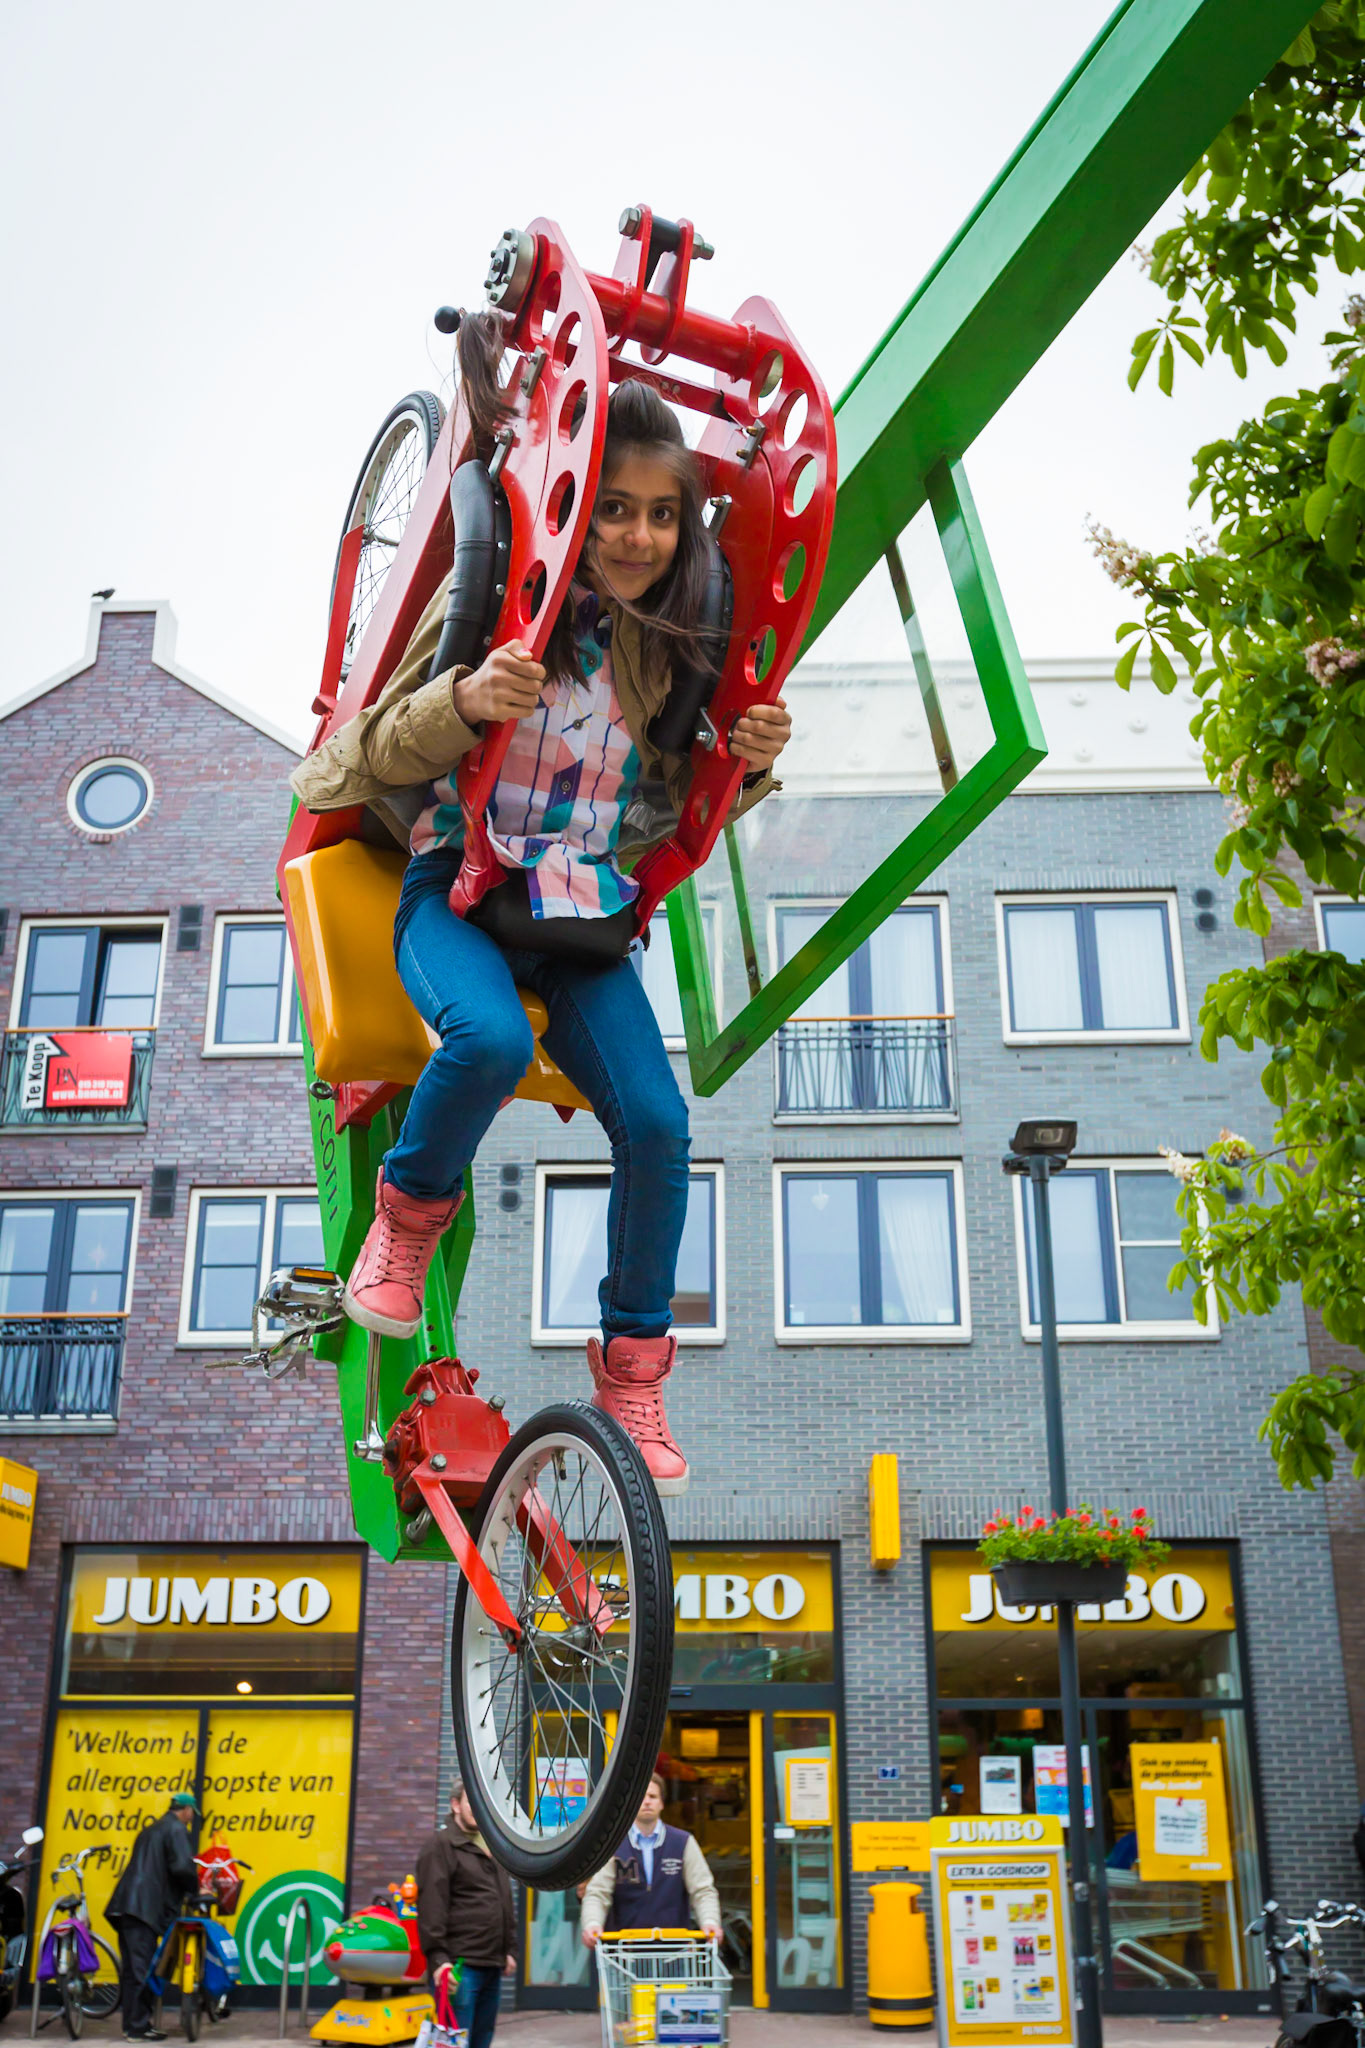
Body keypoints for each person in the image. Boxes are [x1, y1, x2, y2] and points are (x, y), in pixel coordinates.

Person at [292, 320, 791, 1497]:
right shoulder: (490, 606)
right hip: (462, 892)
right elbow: (341, 765)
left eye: (661, 515)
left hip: (582, 921)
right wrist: (467, 699)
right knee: (488, 1039)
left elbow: (676, 811)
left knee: (659, 1125)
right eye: (613, 509)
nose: (637, 535)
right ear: (571, 505)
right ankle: (406, 1216)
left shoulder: (673, 649)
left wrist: (752, 761)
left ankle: (633, 1368)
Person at [416, 1779, 516, 2048]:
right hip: (459, 1969)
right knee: (456, 2042)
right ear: (455, 1805)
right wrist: (439, 1960)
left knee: (482, 2041)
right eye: (471, 1800)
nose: (478, 1807)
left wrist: (509, 1949)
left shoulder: (493, 1847)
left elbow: (503, 1899)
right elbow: (431, 1907)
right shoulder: (441, 1846)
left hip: (492, 1964)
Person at [578, 1774, 721, 1945]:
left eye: (653, 1796)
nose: (647, 1802)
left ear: (662, 1803)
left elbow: (703, 1890)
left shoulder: (683, 1842)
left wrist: (710, 1922)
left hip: (674, 1949)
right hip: (625, 1951)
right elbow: (597, 1893)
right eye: (641, 1797)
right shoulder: (613, 1845)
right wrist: (592, 1924)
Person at [106, 1792, 198, 2043]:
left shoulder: (150, 1830)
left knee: (131, 1970)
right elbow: (182, 1867)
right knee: (142, 1969)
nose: (191, 1819)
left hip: (126, 1905)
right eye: (192, 1814)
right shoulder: (176, 1829)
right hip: (143, 1907)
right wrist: (196, 1889)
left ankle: (131, 2026)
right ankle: (138, 2028)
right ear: (186, 1810)